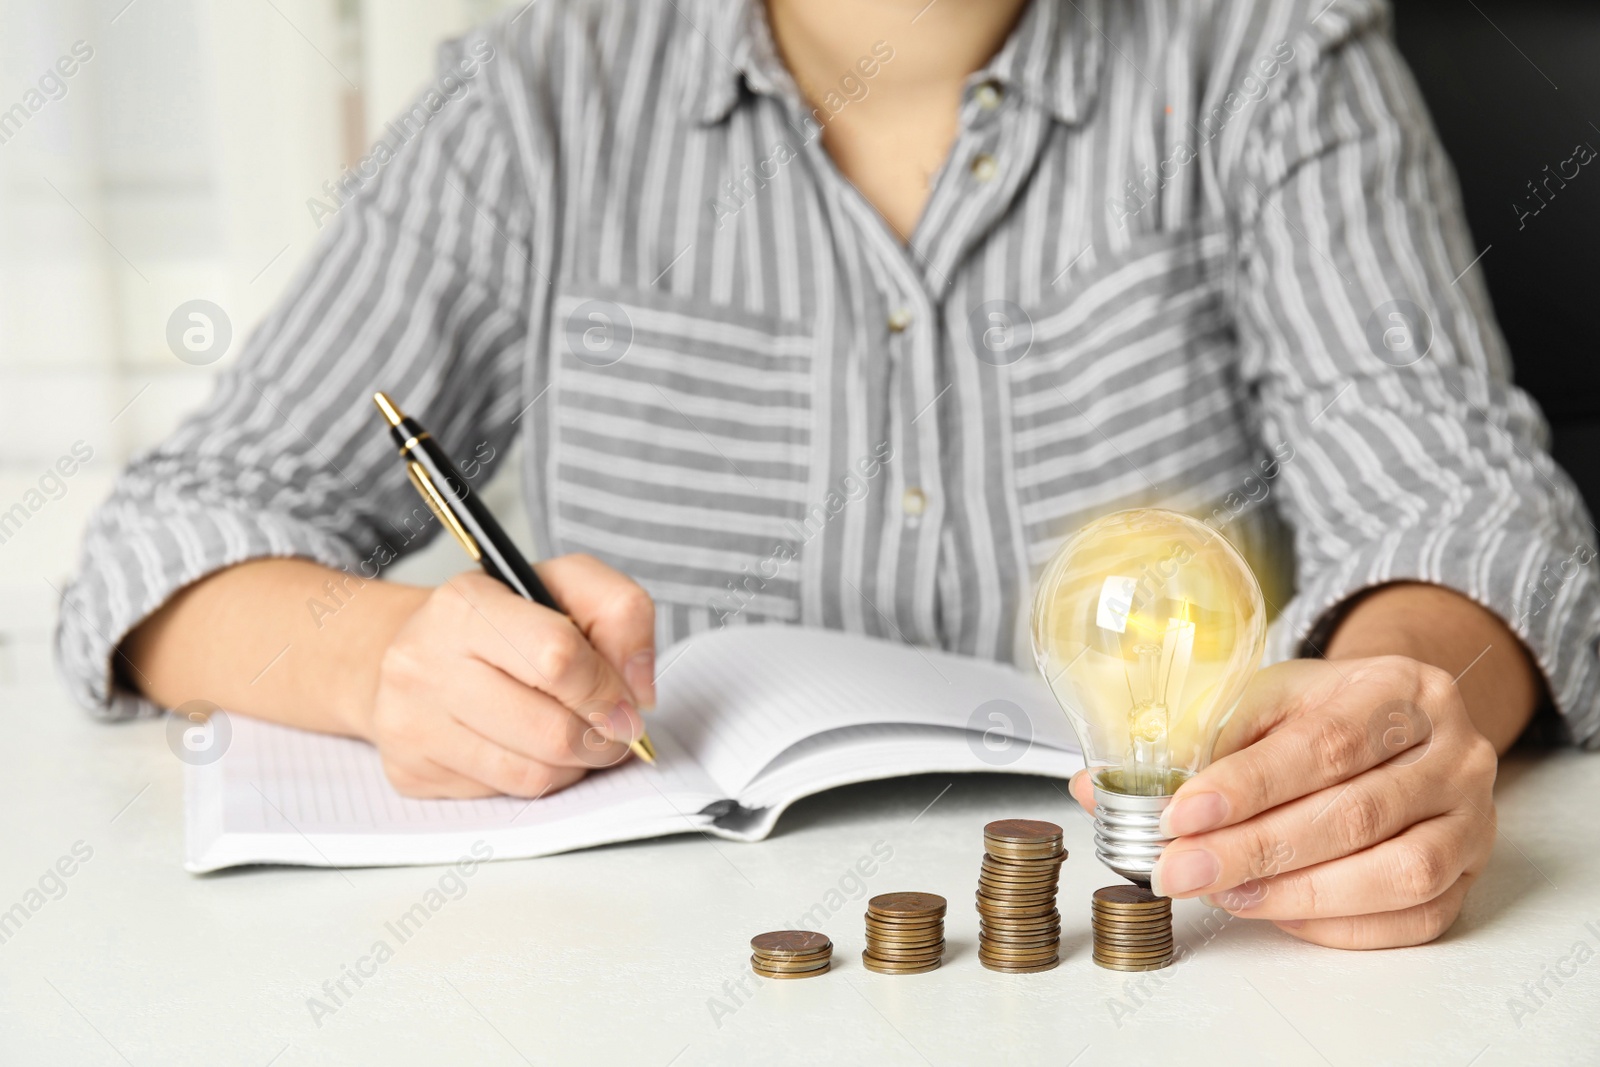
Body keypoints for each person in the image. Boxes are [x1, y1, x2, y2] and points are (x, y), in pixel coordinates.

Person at [57, 0, 1599, 951]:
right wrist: (385, 655)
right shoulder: (531, 107)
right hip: (638, 985)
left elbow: (1461, 516)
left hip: (1169, 956)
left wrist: (1394, 706)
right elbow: (170, 539)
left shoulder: (1271, 61)